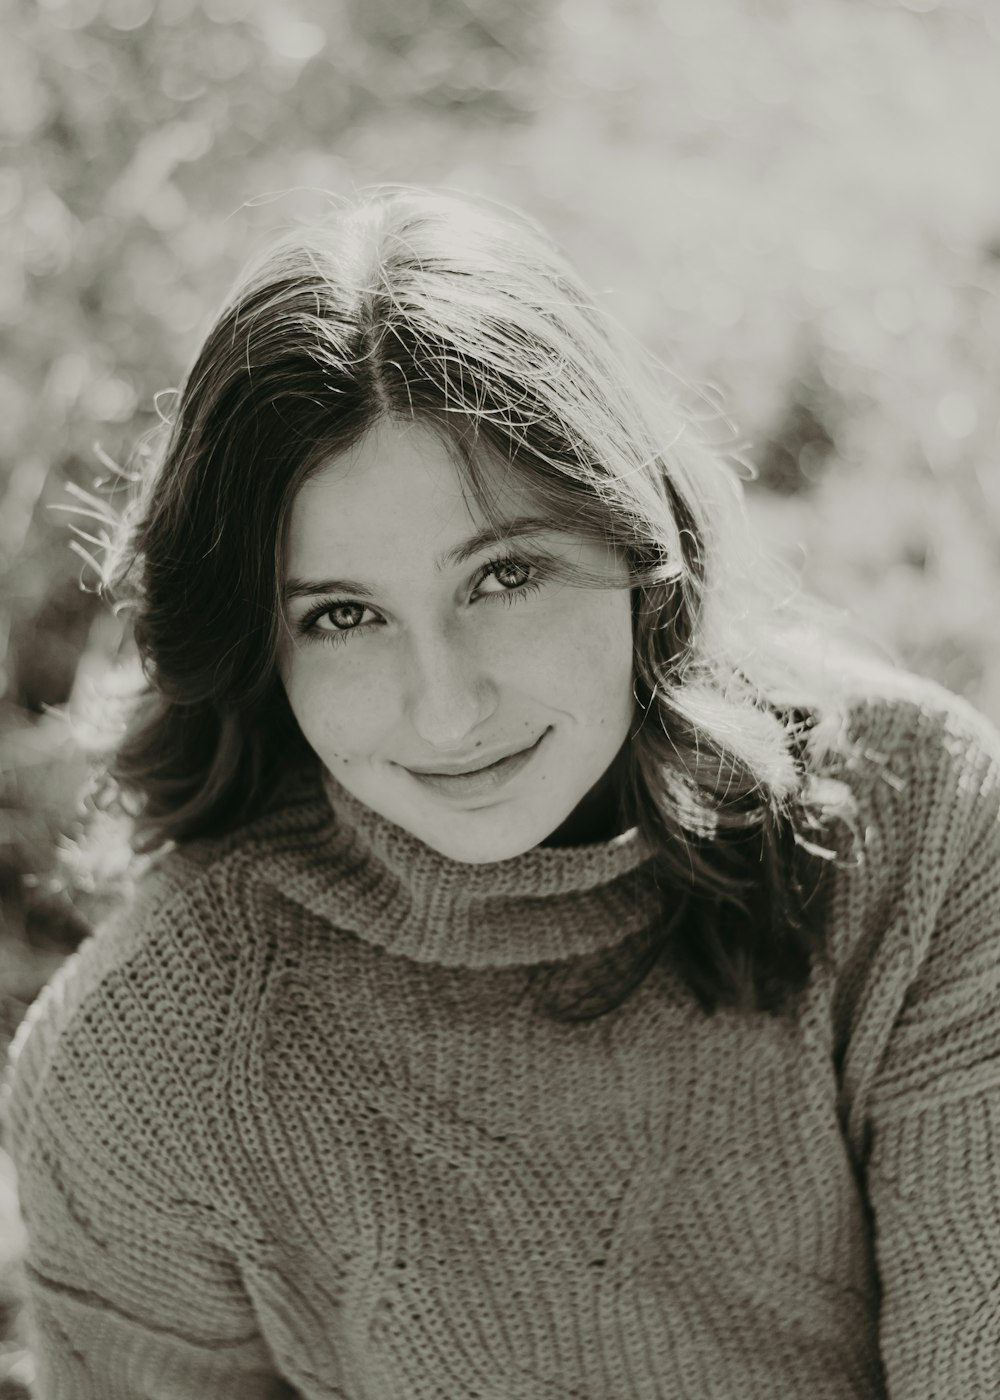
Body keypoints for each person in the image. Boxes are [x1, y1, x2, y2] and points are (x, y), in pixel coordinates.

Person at [2, 186, 999, 1400]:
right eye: (344, 615)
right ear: (259, 649)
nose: (446, 708)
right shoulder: (149, 1061)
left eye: (505, 573)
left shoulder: (920, 823)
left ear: (639, 544)